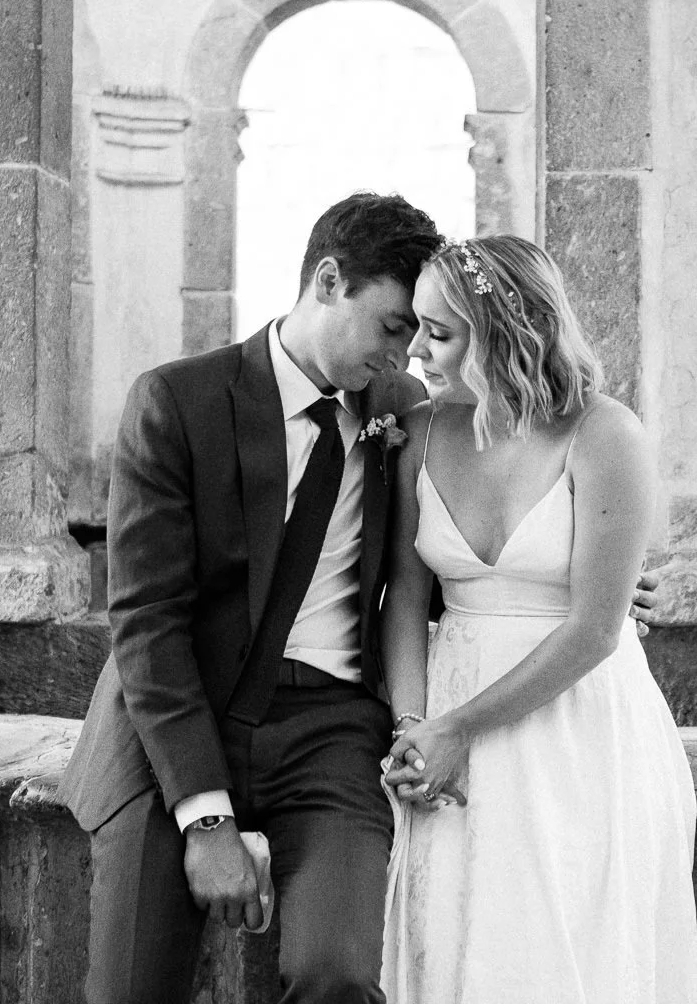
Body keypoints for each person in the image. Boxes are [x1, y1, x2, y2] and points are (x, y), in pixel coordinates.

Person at [60, 192, 442, 1004]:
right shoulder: (177, 401)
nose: (402, 356)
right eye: (392, 327)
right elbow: (147, 622)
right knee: (130, 992)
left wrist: (593, 583)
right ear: (329, 281)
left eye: (415, 338)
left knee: (338, 975)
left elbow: (460, 544)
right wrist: (206, 819)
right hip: (173, 721)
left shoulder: (403, 412)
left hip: (330, 729)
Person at [379, 235, 697, 1004]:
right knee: (451, 948)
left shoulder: (607, 435)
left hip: (577, 726)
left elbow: (595, 629)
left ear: (503, 336)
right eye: (416, 326)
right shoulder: (418, 434)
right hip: (448, 713)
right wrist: (415, 730)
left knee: (569, 957)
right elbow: (404, 600)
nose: (415, 350)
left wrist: (459, 730)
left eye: (439, 333)